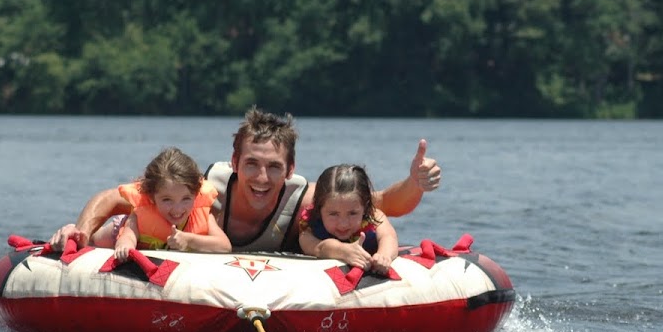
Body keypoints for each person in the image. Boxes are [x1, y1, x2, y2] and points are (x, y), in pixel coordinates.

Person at [49, 107, 442, 252]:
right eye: (252, 164)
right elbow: (112, 198)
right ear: (234, 160)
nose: (261, 177)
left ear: (289, 170)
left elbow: (383, 204)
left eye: (274, 167)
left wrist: (414, 183)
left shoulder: (301, 198)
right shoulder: (202, 191)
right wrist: (83, 231)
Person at [100, 147, 231, 261]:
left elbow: (225, 246)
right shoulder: (139, 215)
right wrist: (125, 246)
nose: (177, 209)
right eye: (167, 199)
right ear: (151, 197)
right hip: (118, 230)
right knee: (97, 239)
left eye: (186, 198)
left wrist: (188, 240)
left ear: (196, 194)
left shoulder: (204, 215)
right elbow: (128, 236)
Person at [298, 164, 398, 275]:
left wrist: (383, 255)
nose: (343, 224)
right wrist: (343, 251)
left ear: (365, 207)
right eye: (334, 214)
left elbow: (388, 236)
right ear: (319, 209)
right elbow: (317, 248)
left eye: (352, 213)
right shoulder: (310, 226)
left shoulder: (374, 217)